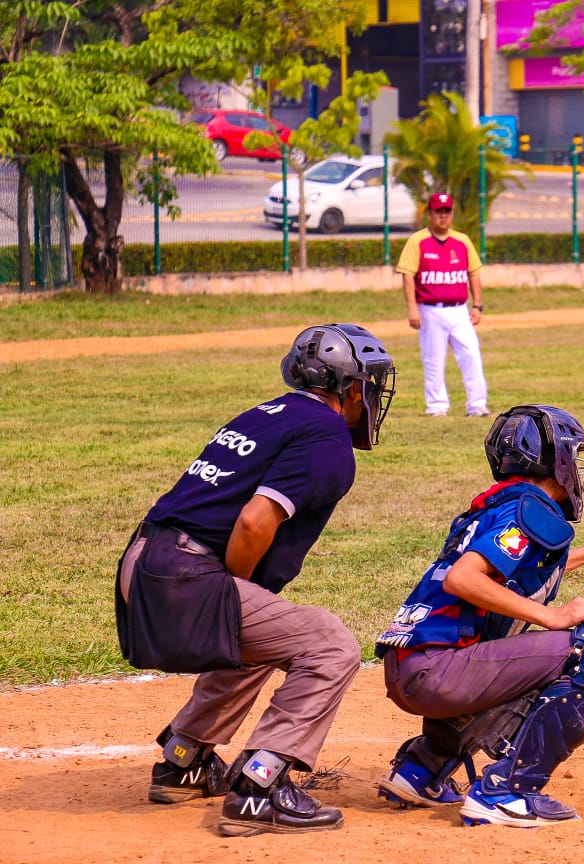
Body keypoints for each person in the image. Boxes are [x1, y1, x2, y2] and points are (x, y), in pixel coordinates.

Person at [115, 323, 397, 836]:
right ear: (351, 386)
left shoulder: (269, 413)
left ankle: (184, 758)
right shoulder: (328, 437)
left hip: (145, 565)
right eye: (370, 382)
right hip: (183, 577)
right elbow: (254, 521)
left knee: (265, 631)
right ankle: (259, 787)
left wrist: (237, 593)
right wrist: (232, 588)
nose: (372, 394)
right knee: (331, 645)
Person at [374, 405, 584, 828]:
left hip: (416, 666)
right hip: (438, 673)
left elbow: (515, 574)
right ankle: (507, 792)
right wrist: (552, 617)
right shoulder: (530, 511)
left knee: (504, 647)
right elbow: (465, 579)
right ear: (557, 460)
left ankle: (422, 770)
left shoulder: (504, 506)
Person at [397, 191, 489, 418]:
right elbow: (408, 275)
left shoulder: (462, 241)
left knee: (471, 355)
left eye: (447, 212)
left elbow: (474, 273)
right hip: (430, 309)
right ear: (429, 214)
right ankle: (437, 406)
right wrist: (412, 308)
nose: (443, 216)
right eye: (438, 211)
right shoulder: (418, 241)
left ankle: (477, 405)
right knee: (433, 360)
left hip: (459, 310)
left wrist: (477, 305)